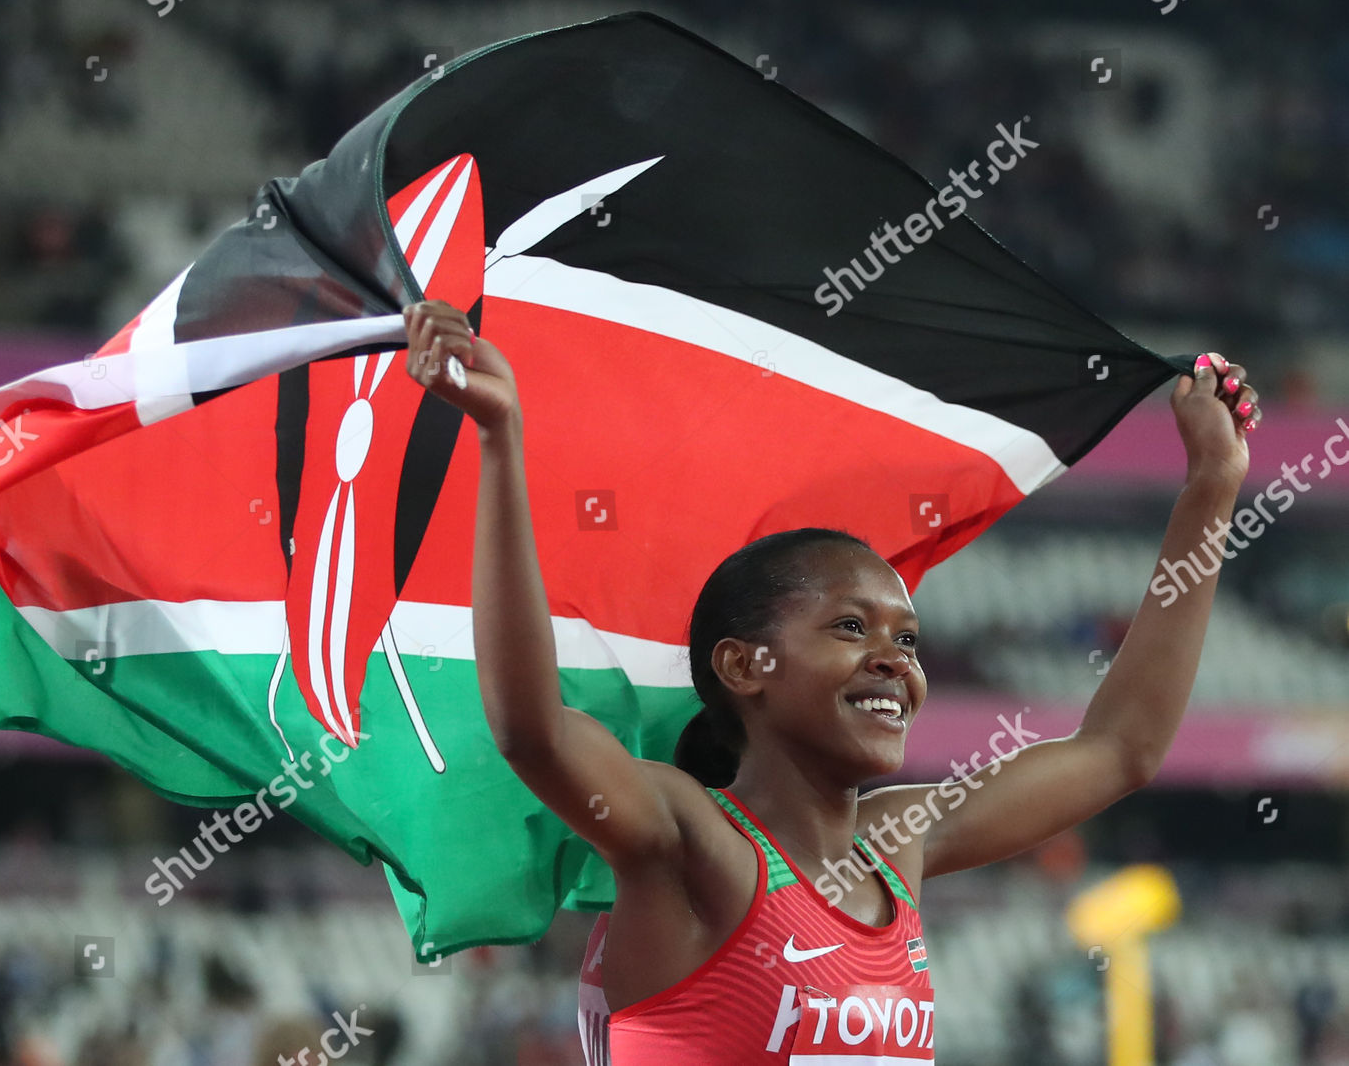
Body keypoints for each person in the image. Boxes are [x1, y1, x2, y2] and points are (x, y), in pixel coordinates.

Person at [401, 298, 1261, 1064]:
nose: (895, 658)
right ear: (745, 666)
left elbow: (1121, 749)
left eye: (909, 639)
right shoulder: (689, 841)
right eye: (851, 627)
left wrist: (1211, 489)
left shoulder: (900, 843)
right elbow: (532, 731)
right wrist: (497, 436)